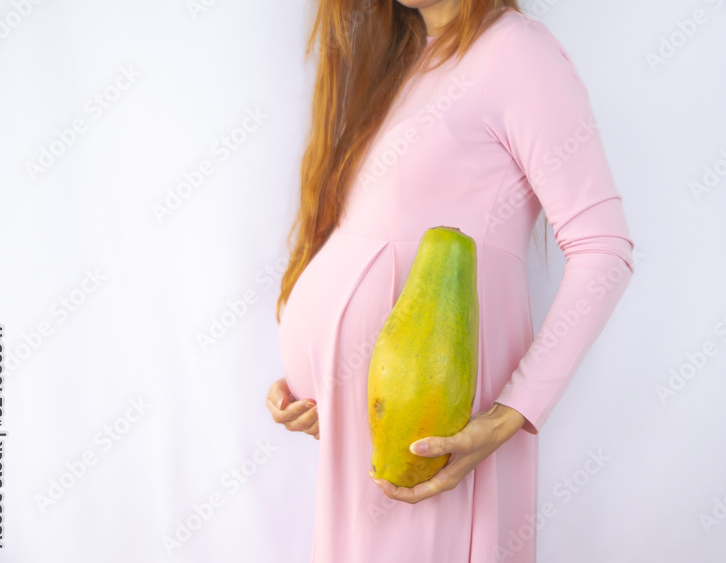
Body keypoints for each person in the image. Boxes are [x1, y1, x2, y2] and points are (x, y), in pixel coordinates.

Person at [266, 1, 634, 561]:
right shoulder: (405, 62)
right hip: (371, 439)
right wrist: (324, 385)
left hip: (441, 428)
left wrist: (511, 414)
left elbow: (603, 248)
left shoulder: (515, 51)